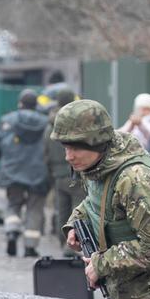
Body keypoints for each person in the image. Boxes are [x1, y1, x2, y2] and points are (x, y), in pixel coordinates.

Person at [53, 99, 150, 299]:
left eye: (76, 147)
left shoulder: (135, 179)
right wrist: (75, 223)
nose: (68, 156)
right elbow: (96, 202)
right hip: (127, 289)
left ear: (96, 142)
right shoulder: (100, 164)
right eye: (66, 147)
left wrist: (101, 264)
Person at [0, 89, 49, 257]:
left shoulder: (6, 120)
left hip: (12, 170)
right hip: (38, 172)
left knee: (13, 203)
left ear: (20, 103)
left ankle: (12, 231)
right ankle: (30, 246)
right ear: (36, 105)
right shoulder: (46, 123)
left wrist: (3, 160)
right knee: (35, 208)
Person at [44, 87, 85, 254]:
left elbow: (45, 152)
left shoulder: (50, 126)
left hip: (57, 174)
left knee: (62, 209)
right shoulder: (76, 123)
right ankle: (76, 245)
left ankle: (63, 243)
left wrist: (50, 172)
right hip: (76, 172)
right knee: (78, 208)